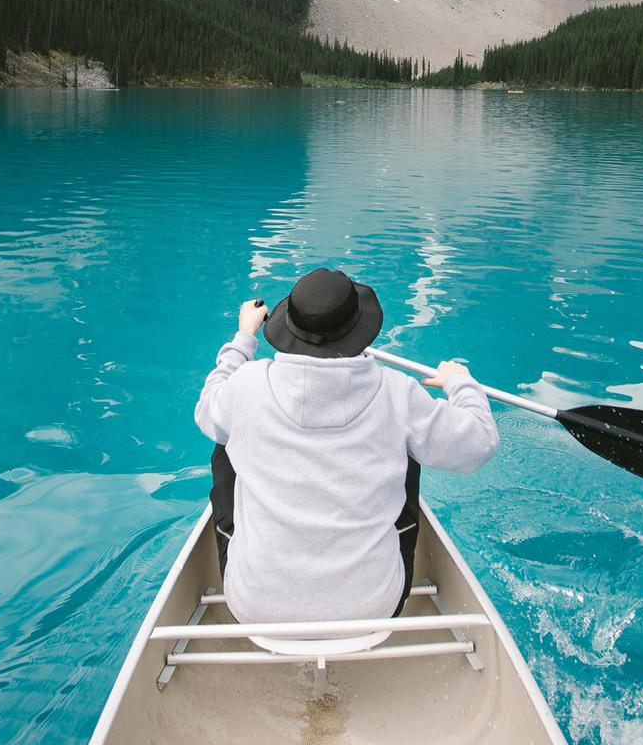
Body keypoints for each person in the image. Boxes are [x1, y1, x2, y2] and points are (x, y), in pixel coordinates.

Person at [194, 267, 499, 625]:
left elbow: (206, 409)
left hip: (256, 607)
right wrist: (461, 384)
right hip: (372, 607)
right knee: (409, 447)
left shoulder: (246, 387)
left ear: (288, 325)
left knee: (224, 437)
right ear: (359, 328)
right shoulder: (397, 393)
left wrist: (244, 337)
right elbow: (480, 442)